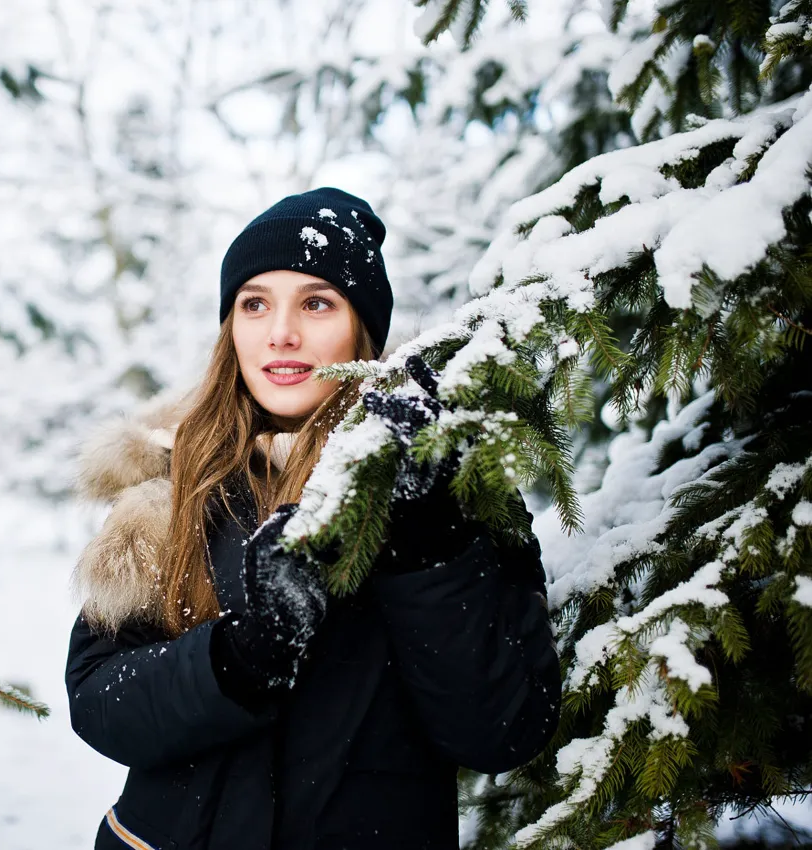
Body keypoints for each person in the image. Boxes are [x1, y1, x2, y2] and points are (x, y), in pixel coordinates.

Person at [65, 187, 561, 850]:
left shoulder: (444, 478)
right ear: (230, 327)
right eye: (255, 304)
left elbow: (503, 730)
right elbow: (100, 700)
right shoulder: (170, 483)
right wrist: (233, 663)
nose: (281, 333)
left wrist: (426, 549)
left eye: (317, 302)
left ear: (363, 328)